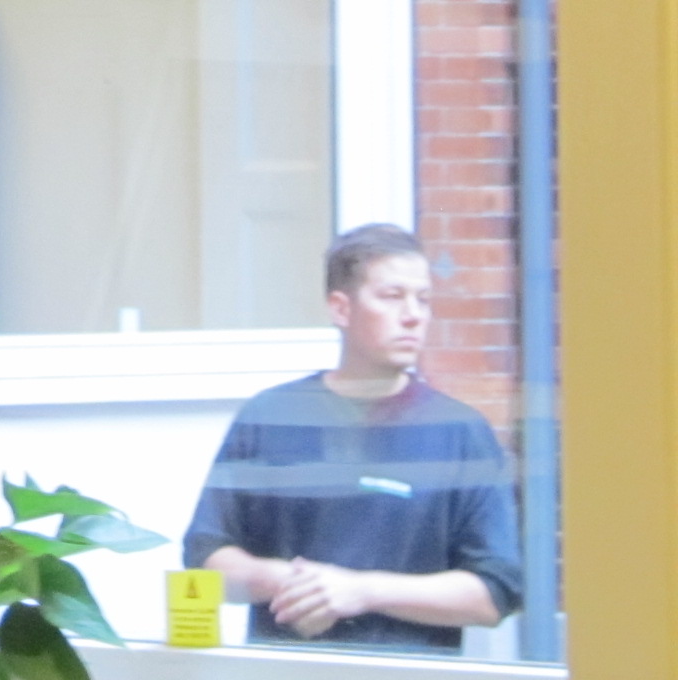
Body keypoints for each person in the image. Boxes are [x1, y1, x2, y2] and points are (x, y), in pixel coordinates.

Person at [184, 224, 523, 651]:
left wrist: (362, 591)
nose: (413, 315)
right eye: (392, 296)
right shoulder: (272, 417)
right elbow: (205, 557)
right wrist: (290, 584)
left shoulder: (460, 433)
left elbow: (495, 592)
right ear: (341, 309)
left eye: (423, 299)